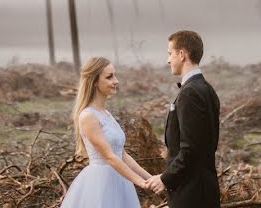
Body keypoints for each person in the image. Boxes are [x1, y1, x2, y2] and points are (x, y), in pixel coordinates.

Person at [60, 56, 152, 208]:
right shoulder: (88, 116)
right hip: (100, 184)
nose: (116, 81)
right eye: (109, 77)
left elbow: (121, 154)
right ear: (95, 81)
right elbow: (109, 157)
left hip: (120, 180)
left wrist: (150, 178)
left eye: (114, 75)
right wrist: (141, 183)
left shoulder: (106, 113)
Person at [145, 30, 221, 207]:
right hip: (203, 188)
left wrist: (165, 178)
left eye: (170, 53)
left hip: (191, 193)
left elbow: (191, 148)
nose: (168, 60)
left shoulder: (190, 93)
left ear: (182, 54)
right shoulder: (207, 89)